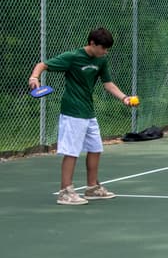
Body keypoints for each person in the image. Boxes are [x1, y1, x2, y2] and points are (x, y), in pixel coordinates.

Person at [29, 27, 136, 206]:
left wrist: (124, 98)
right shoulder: (73, 57)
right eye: (103, 48)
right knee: (71, 152)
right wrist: (34, 77)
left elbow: (108, 84)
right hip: (72, 111)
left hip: (88, 111)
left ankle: (92, 188)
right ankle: (65, 191)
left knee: (95, 148)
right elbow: (43, 65)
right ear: (92, 44)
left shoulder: (101, 60)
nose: (105, 52)